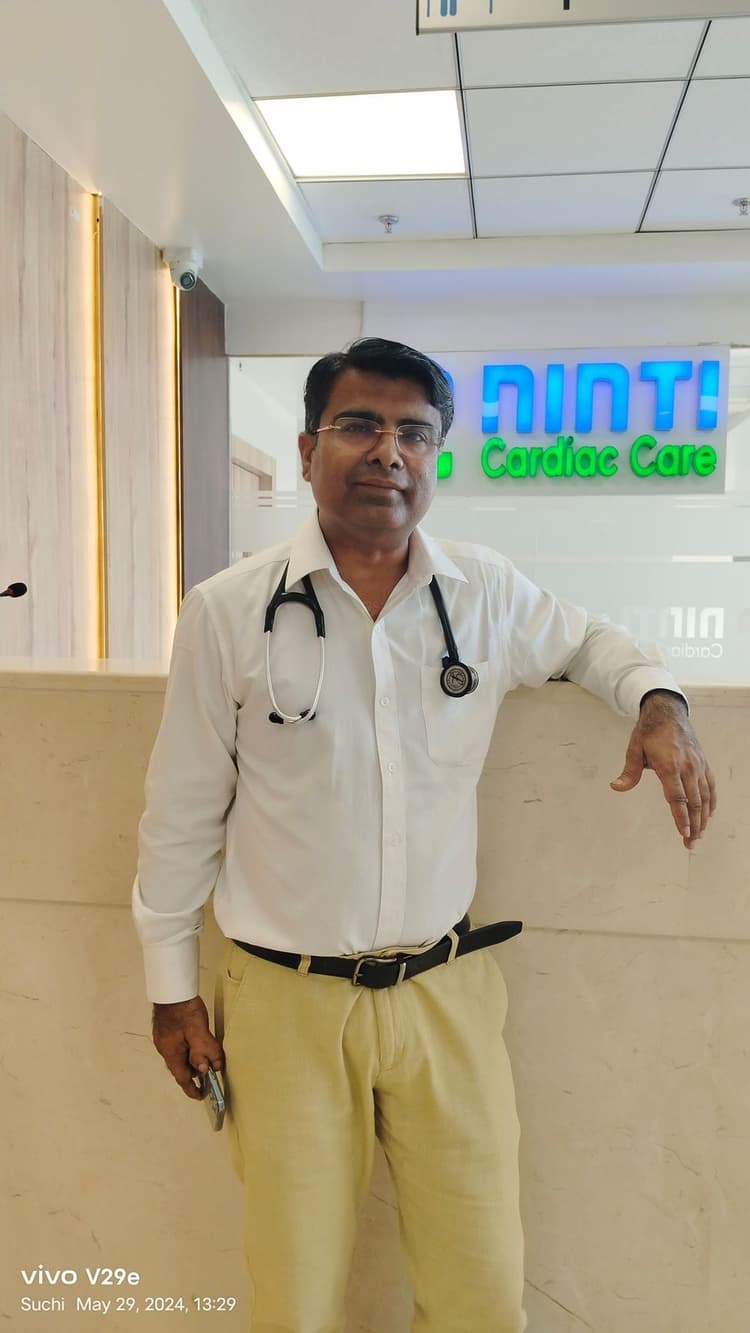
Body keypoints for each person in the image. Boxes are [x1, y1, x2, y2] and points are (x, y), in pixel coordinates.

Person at [132, 337, 716, 1333]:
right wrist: (170, 988)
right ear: (309, 446)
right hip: (285, 1002)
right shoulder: (228, 612)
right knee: (295, 1298)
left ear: (436, 455)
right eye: (360, 425)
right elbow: (180, 813)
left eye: (415, 433)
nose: (388, 452)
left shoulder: (481, 594)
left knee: (482, 1290)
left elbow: (590, 641)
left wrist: (660, 702)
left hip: (445, 996)